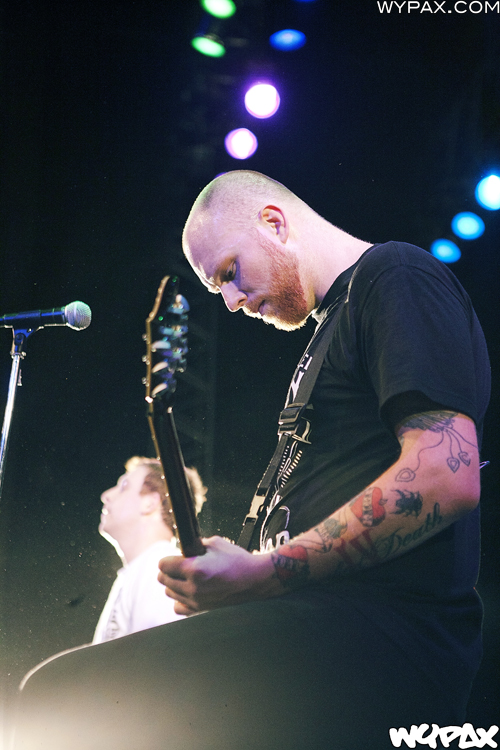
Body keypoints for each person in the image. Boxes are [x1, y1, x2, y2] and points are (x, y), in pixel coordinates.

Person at [12, 171, 490, 750]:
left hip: (380, 639)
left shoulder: (396, 275)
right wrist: (244, 568)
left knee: (57, 695)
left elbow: (446, 476)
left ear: (273, 222)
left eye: (230, 272)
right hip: (322, 635)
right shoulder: (328, 328)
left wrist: (263, 574)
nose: (233, 302)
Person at [93, 456, 207, 643]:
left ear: (150, 503)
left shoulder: (160, 570)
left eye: (124, 487)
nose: (106, 495)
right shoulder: (143, 571)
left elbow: (156, 655)